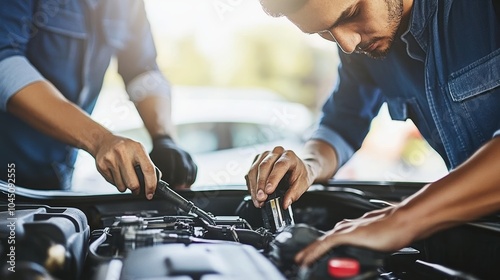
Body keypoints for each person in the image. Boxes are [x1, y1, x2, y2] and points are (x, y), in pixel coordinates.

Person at [246, 0, 500, 268]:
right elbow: (341, 126)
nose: (348, 44)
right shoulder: (362, 45)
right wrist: (308, 166)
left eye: (353, 13)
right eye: (325, 32)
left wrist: (401, 221)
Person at [0, 0, 197, 197]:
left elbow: (143, 71)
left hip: (57, 177)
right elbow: (4, 62)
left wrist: (164, 138)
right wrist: (100, 140)